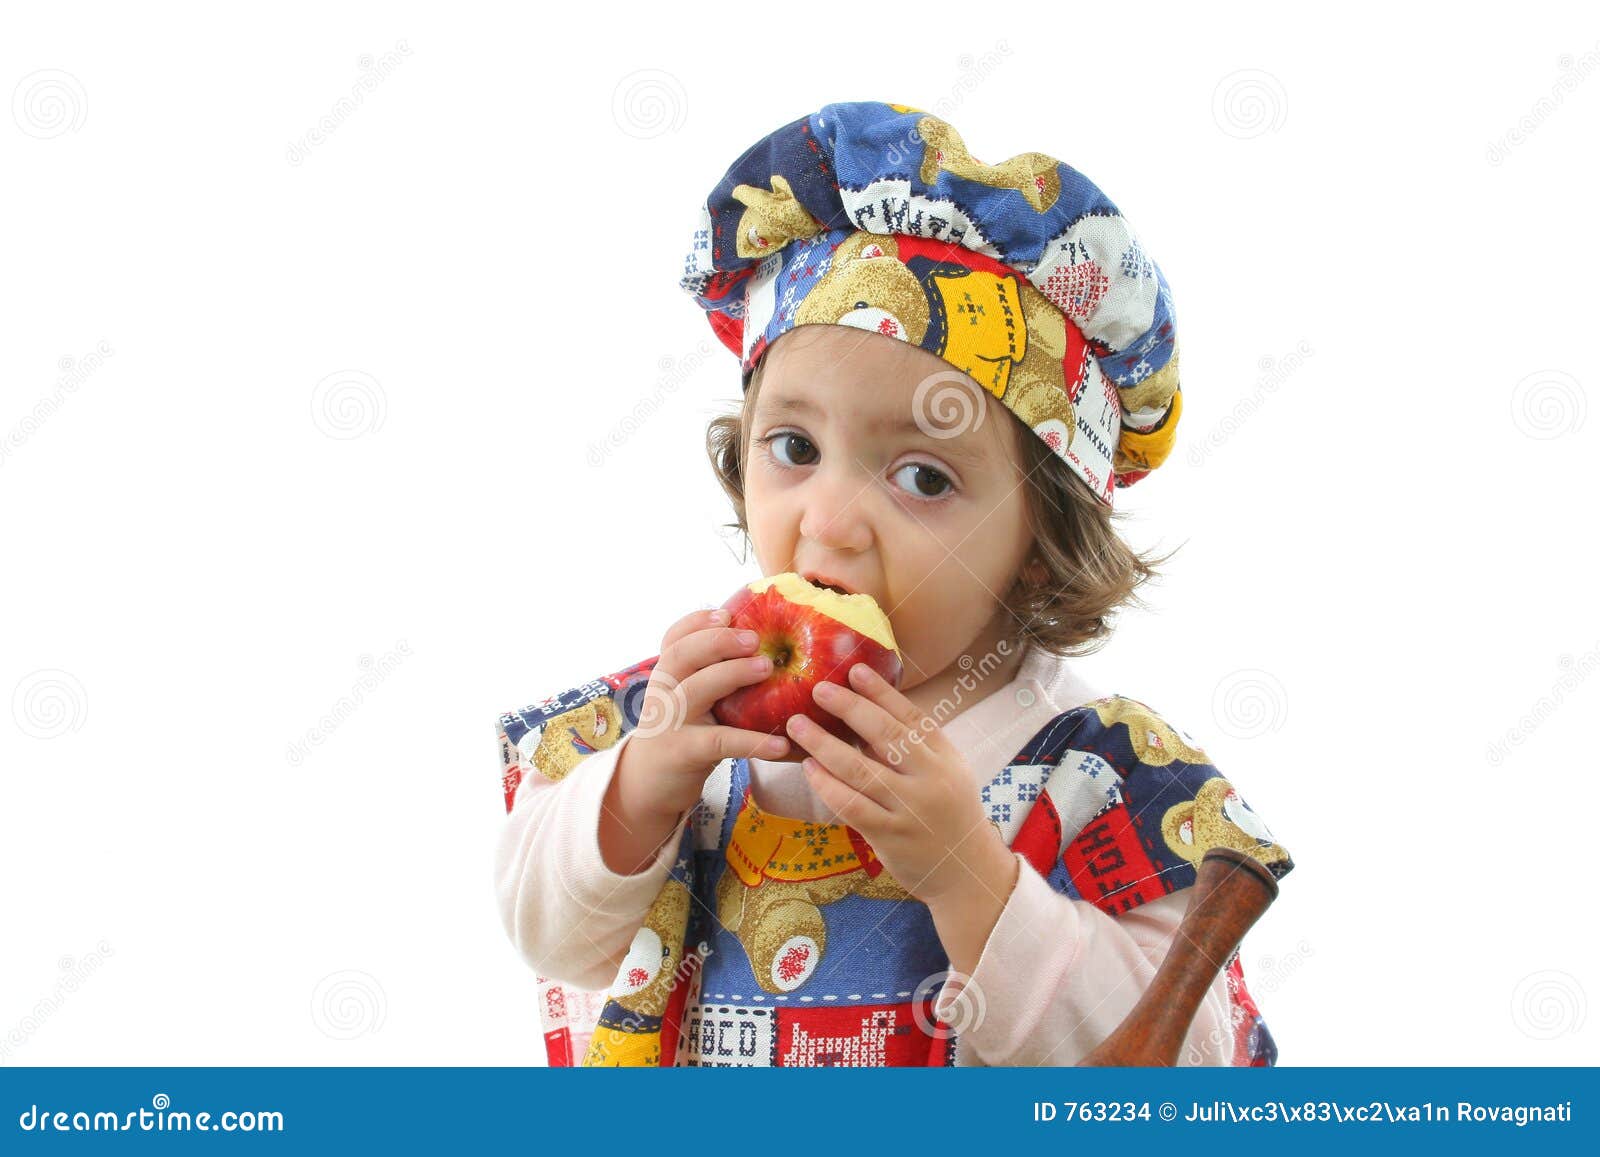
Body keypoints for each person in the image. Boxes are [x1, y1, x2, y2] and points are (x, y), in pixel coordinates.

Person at [493, 100, 1295, 1067]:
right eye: (794, 447)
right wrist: (638, 791)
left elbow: (1176, 1061)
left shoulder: (1101, 776)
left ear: (1043, 538)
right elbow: (552, 937)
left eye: (922, 476)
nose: (827, 520)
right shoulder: (683, 710)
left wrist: (971, 877)